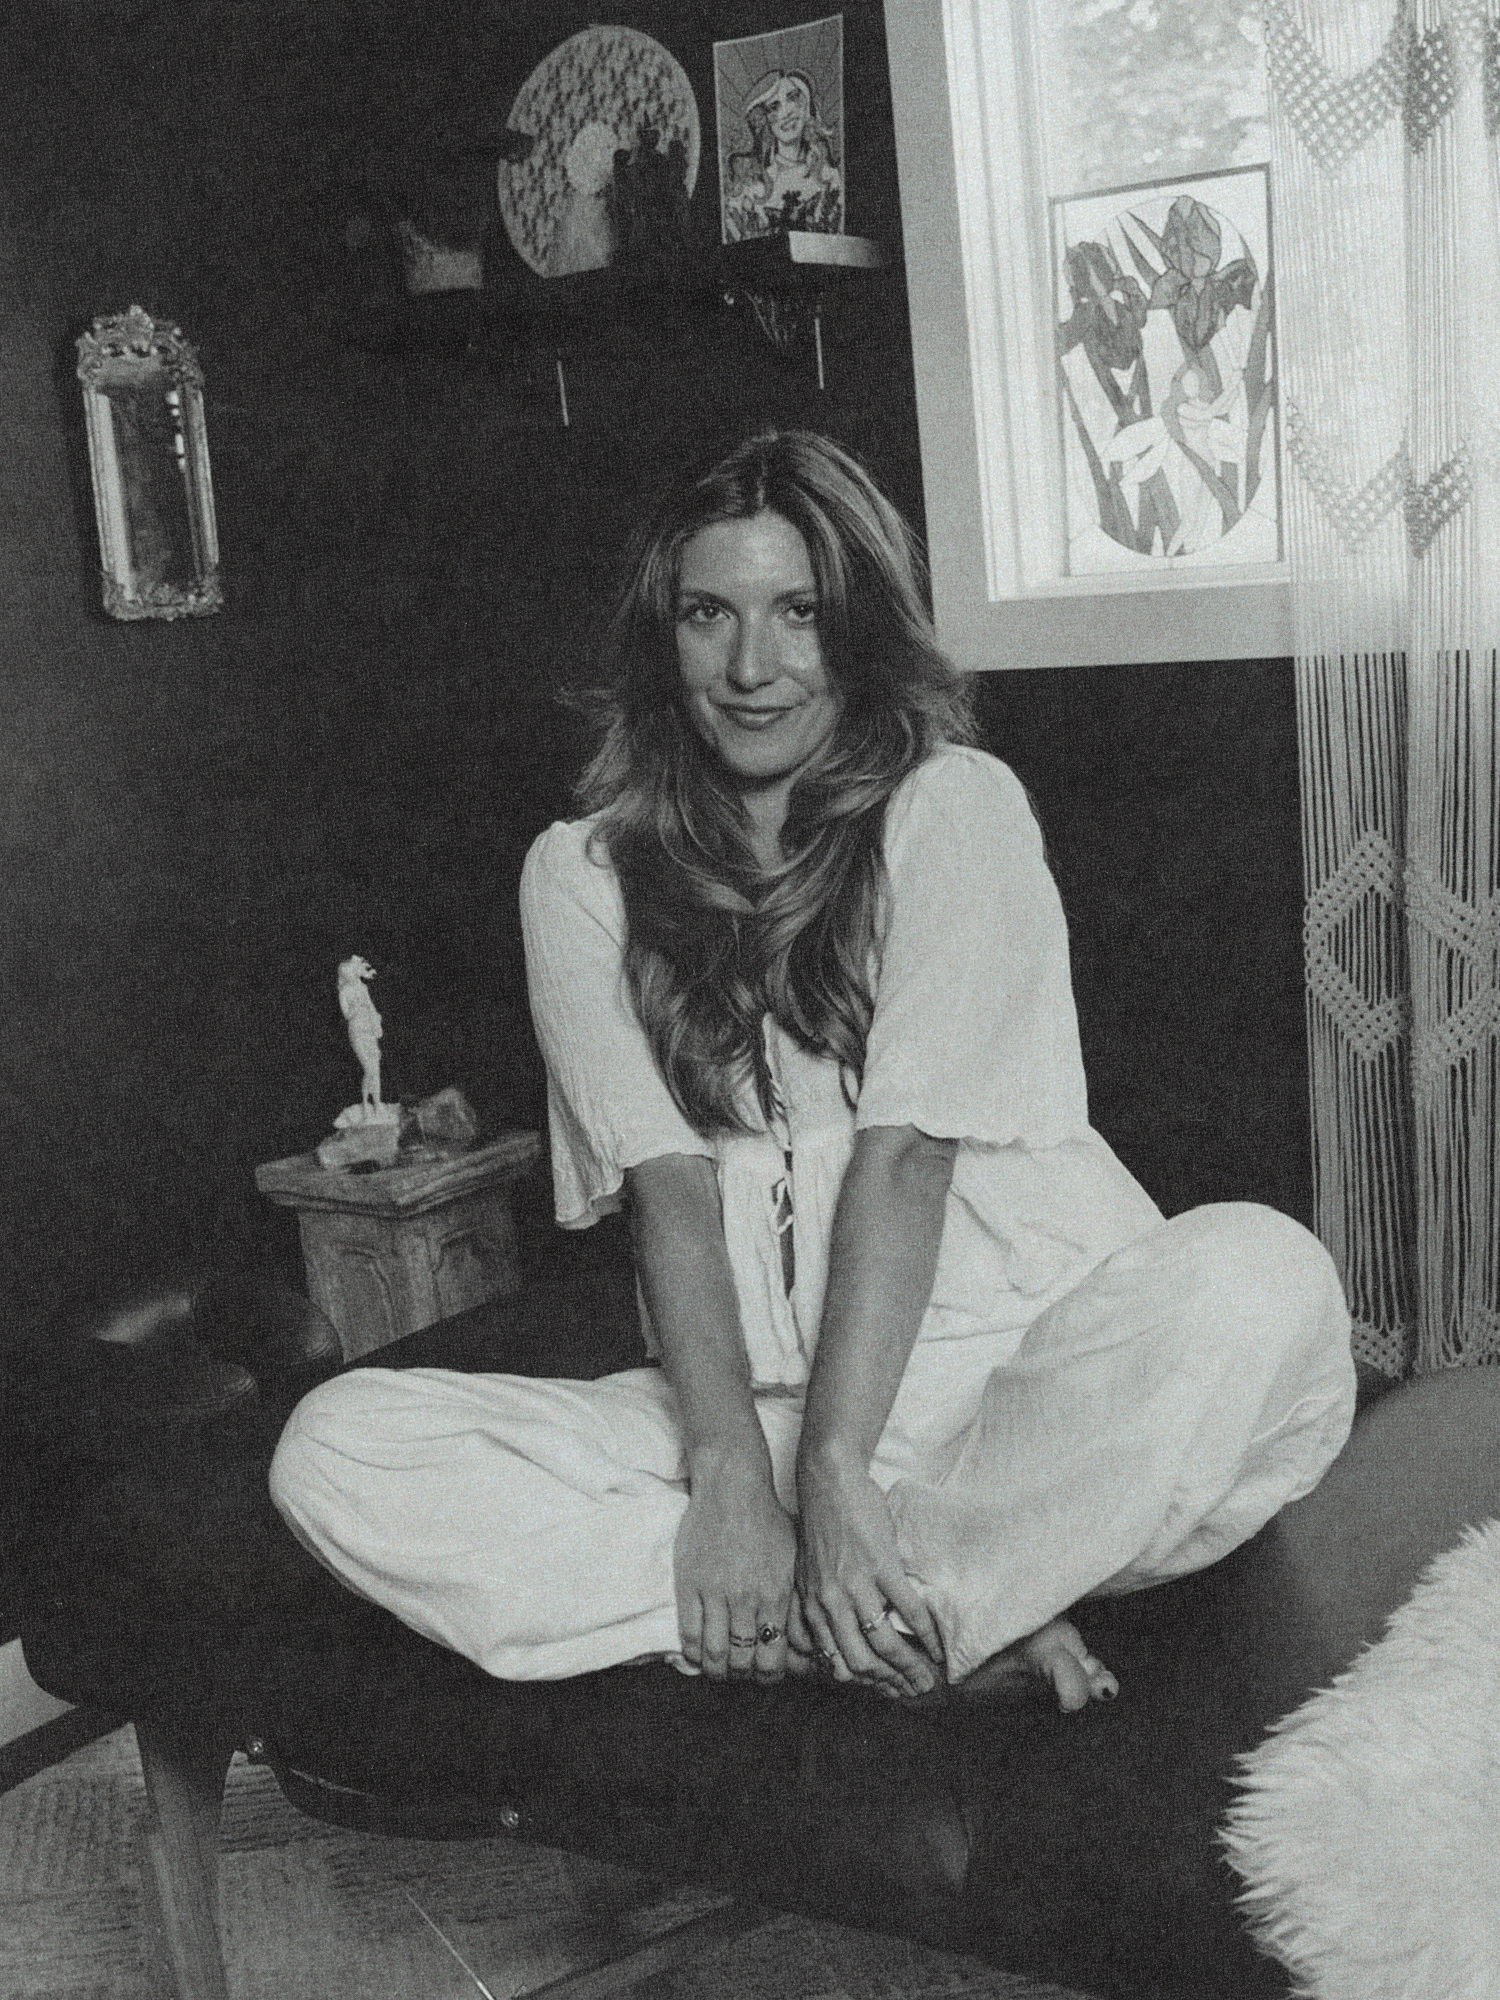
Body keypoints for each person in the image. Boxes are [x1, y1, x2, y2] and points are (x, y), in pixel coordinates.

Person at [270, 430, 1355, 1711]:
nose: (752, 666)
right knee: (334, 1452)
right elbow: (668, 1189)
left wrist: (837, 1477)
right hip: (768, 1411)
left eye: (799, 613)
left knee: (1263, 1280)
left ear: (862, 628)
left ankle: (886, 1592)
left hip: (1033, 1395)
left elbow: (907, 1158)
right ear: (659, 640)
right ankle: (921, 1619)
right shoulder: (581, 876)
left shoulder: (957, 808)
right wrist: (735, 1473)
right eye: (707, 616)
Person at [723, 69, 843, 241]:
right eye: (774, 107)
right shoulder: (753, 187)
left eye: (793, 97)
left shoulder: (829, 176)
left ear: (807, 106)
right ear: (763, 120)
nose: (786, 113)